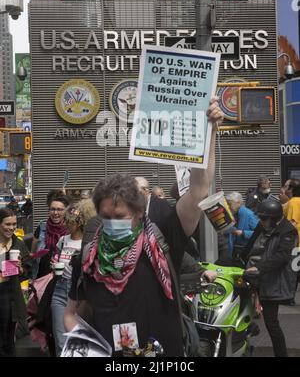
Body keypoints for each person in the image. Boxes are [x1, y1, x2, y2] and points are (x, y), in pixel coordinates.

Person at [64, 97, 223, 357]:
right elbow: (75, 314)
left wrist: (209, 133)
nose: (113, 222)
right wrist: (82, 344)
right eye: (105, 216)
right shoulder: (90, 255)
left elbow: (198, 189)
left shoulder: (164, 233)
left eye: (120, 215)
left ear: (139, 212)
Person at [245, 199, 298, 357]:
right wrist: (237, 260)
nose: (261, 222)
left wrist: (259, 268)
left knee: (271, 323)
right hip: (251, 275)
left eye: (264, 218)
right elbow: (250, 245)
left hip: (272, 279)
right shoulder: (263, 225)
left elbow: (282, 256)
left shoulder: (288, 230)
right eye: (260, 218)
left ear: (274, 218)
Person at [51, 199, 96, 356]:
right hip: (59, 288)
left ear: (79, 223)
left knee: (78, 340)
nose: (66, 224)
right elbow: (57, 257)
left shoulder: (87, 243)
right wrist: (54, 263)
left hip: (77, 291)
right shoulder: (63, 240)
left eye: (69, 222)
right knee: (60, 340)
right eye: (66, 221)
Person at [0, 208, 32, 356]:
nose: (12, 228)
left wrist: (20, 269)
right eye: (8, 224)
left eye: (14, 224)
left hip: (11, 296)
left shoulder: (18, 244)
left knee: (8, 340)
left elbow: (28, 270)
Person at [31, 193, 71, 279]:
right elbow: (33, 254)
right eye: (52, 209)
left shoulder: (71, 230)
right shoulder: (41, 227)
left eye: (60, 209)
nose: (55, 213)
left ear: (66, 211)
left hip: (62, 279)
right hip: (41, 278)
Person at [226, 191, 259, 261]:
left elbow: (259, 233)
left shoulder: (249, 214)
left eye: (229, 204)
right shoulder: (233, 214)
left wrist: (243, 233)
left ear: (238, 203)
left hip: (245, 251)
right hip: (234, 251)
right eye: (227, 204)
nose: (228, 207)